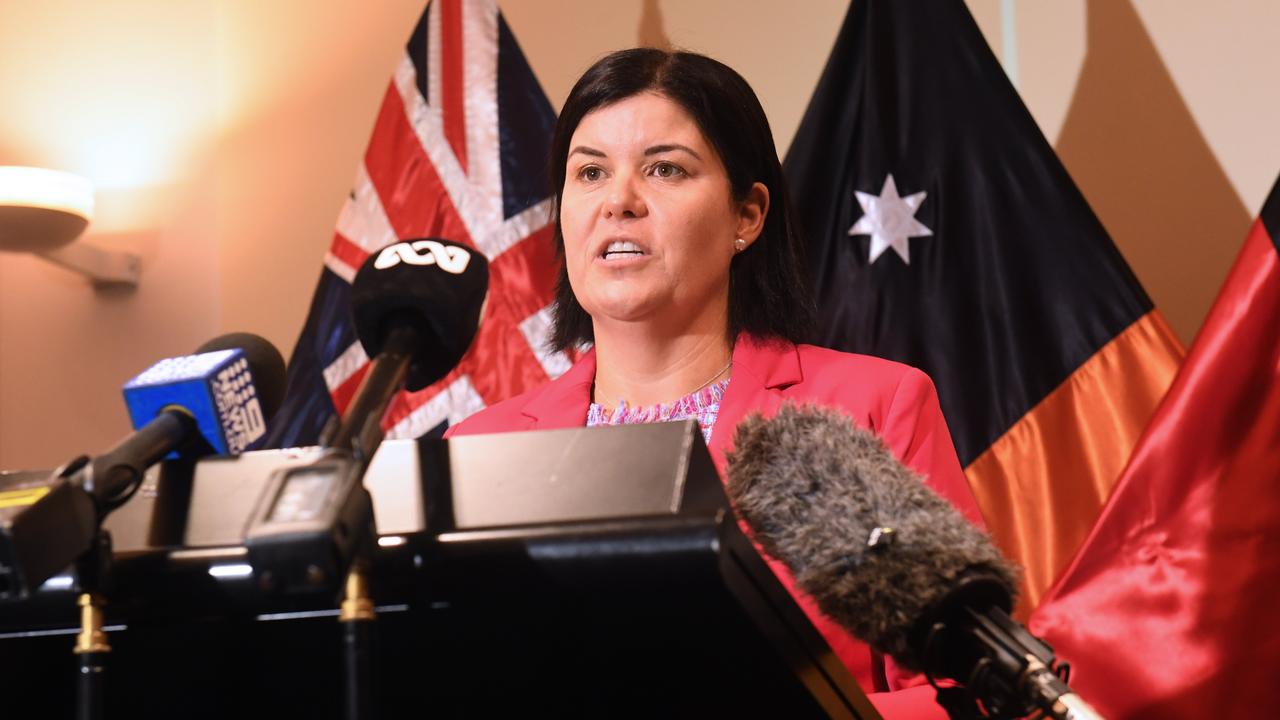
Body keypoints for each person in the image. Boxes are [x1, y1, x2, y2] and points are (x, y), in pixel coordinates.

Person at [446, 48, 983, 718]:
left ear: (747, 216)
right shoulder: (478, 449)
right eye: (589, 172)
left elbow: (969, 693)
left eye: (665, 168)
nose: (618, 201)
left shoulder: (874, 406)